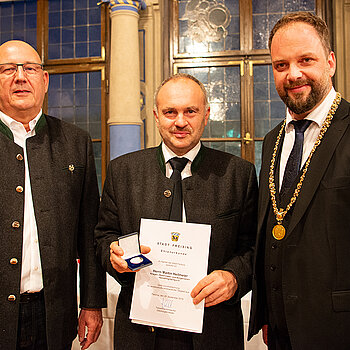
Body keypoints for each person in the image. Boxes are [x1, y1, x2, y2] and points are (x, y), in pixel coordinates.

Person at [94, 73, 258, 349]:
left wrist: (234, 277)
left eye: (190, 111)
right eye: (170, 112)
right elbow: (103, 237)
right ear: (156, 116)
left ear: (205, 115)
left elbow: (253, 245)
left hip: (213, 328)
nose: (180, 122)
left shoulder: (237, 174)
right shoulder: (123, 171)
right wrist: (114, 255)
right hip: (140, 330)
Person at [248, 12, 350, 350]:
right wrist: (267, 309)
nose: (293, 74)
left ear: (330, 62)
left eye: (306, 60)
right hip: (279, 329)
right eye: (280, 65)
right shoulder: (271, 140)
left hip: (338, 328)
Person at [0, 40, 106, 350]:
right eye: (8, 69)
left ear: (44, 81)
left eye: (30, 68)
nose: (21, 77)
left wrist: (91, 303)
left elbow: (89, 234)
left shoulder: (75, 142)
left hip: (53, 316)